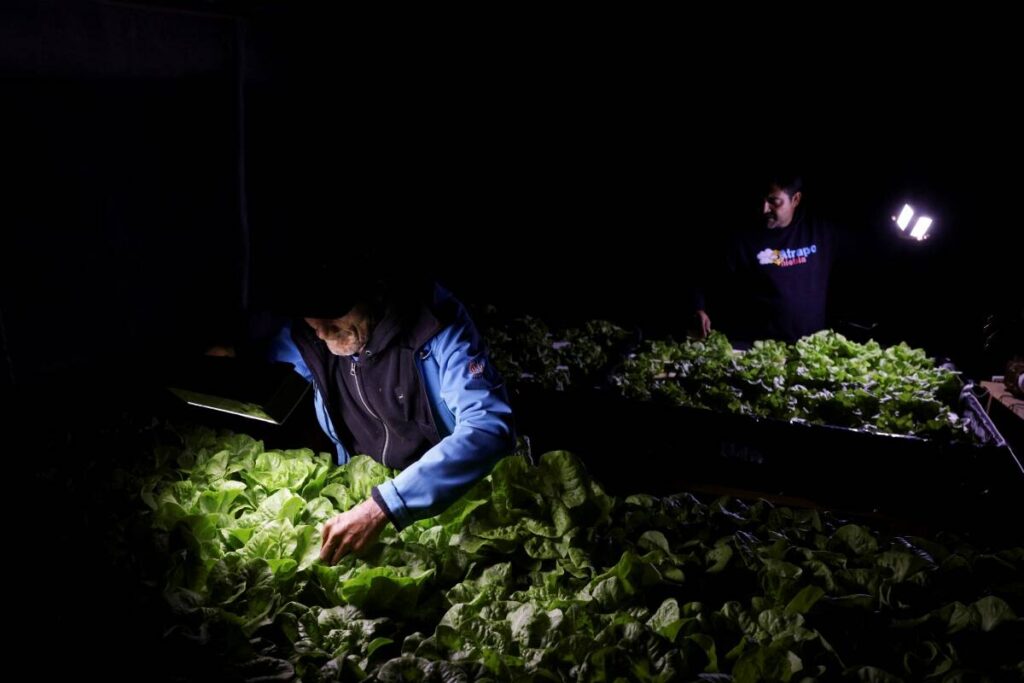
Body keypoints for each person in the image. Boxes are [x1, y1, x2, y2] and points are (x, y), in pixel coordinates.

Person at [262, 273, 515, 566]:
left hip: (447, 501)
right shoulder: (308, 332)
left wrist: (386, 506)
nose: (320, 332)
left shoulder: (435, 323)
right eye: (311, 321)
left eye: (332, 316)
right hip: (363, 498)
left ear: (373, 292)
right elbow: (263, 359)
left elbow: (488, 428)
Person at [690, 172, 843, 344]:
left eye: (774, 201)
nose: (764, 208)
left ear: (795, 200)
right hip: (756, 348)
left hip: (810, 347)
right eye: (761, 199)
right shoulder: (740, 237)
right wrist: (698, 308)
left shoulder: (820, 230)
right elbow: (704, 276)